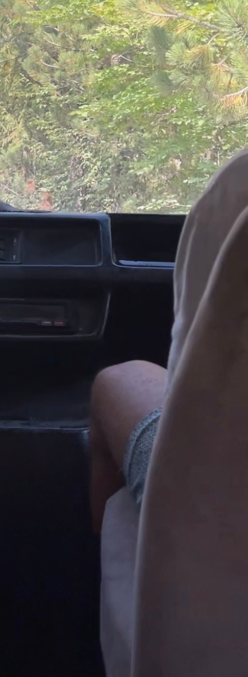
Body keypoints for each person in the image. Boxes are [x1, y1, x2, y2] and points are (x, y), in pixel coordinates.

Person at [90, 147, 248, 532]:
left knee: (119, 379)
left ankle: (103, 569)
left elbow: (202, 387)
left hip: (222, 495)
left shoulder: (238, 193)